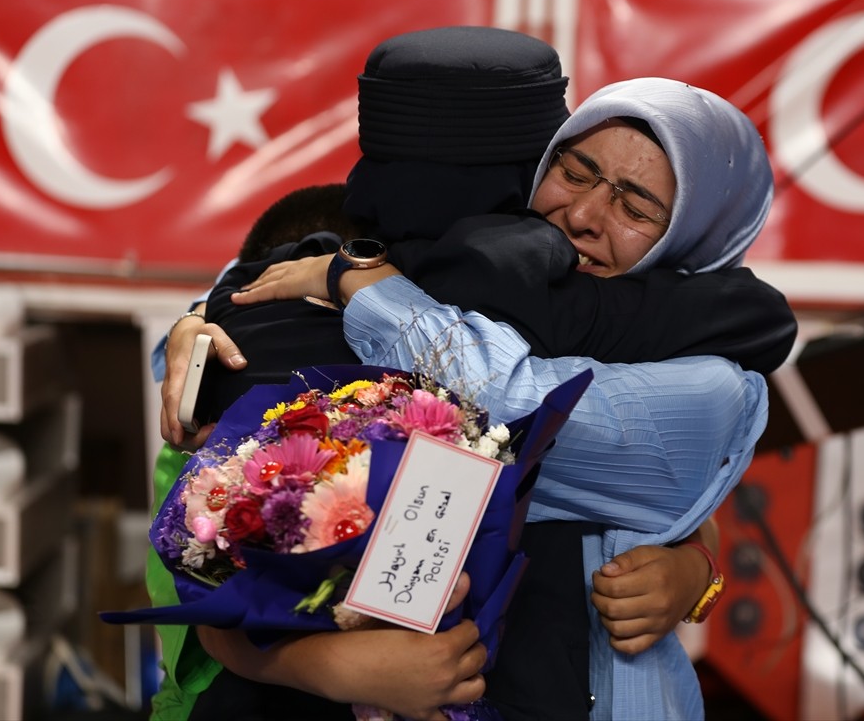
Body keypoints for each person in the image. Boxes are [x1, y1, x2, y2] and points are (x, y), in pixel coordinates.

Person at [219, 75, 779, 720]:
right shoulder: (476, 281)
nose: (584, 216)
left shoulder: (712, 387)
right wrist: (205, 323)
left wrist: (364, 283)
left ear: (694, 234)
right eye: (576, 171)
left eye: (636, 208)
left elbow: (494, 407)